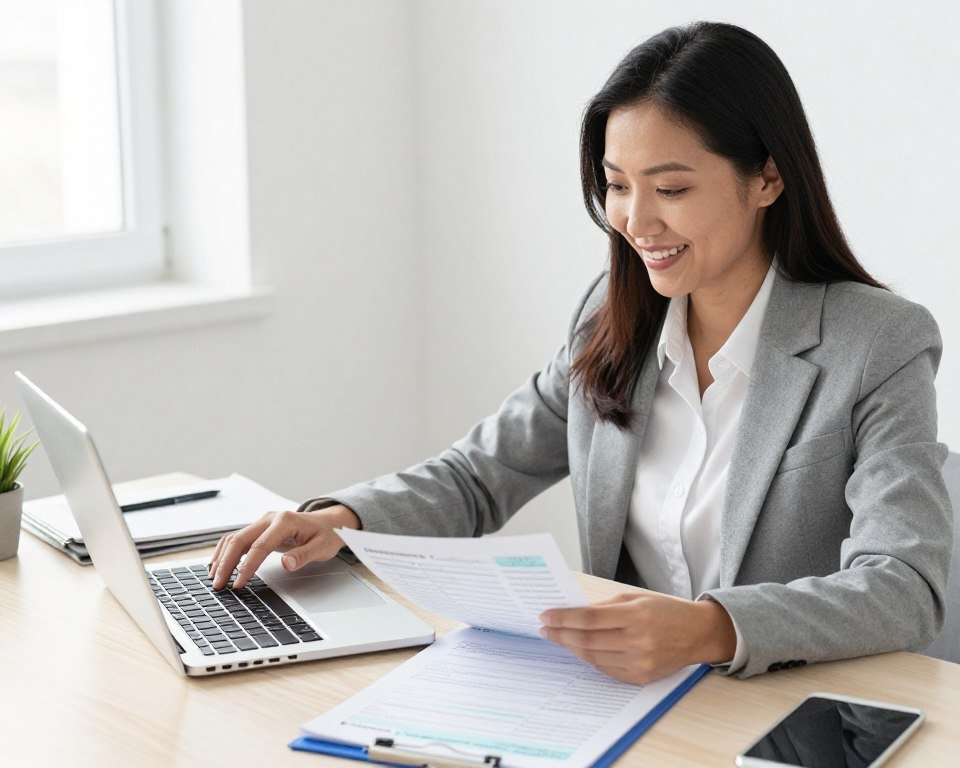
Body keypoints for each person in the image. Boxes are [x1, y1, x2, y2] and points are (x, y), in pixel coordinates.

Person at [210, 21, 951, 683]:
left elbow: (904, 585)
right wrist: (345, 520)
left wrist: (708, 627)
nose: (636, 220)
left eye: (671, 187)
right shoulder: (612, 316)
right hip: (634, 702)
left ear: (767, 176)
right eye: (617, 185)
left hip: (795, 712)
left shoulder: (877, 342)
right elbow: (478, 475)